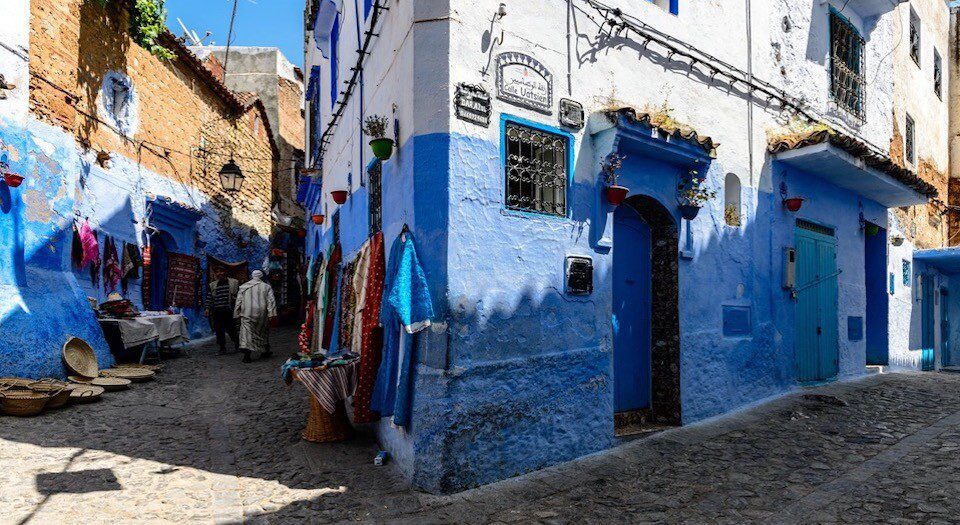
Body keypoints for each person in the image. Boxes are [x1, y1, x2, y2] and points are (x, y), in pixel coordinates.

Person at [234, 269, 277, 363]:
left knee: (246, 334)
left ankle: (247, 355)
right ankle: (265, 350)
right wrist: (272, 313)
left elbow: (239, 301)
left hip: (247, 312)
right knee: (262, 332)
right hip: (262, 313)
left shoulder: (244, 286)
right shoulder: (266, 287)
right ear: (262, 277)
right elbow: (271, 301)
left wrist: (236, 313)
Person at [205, 266, 239, 355]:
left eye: (221, 271)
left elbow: (239, 295)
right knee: (219, 330)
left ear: (225, 272)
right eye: (217, 272)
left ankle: (238, 344)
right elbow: (209, 298)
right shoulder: (213, 285)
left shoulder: (233, 282)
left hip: (228, 310)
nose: (219, 273)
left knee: (231, 329)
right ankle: (222, 348)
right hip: (217, 311)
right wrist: (207, 308)